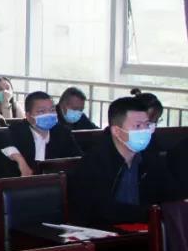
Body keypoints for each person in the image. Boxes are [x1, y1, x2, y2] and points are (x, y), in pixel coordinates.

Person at [69, 96, 180, 226]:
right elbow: (100, 211)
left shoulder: (149, 157)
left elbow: (171, 193)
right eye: (138, 126)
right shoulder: (94, 162)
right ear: (117, 131)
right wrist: (150, 213)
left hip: (145, 228)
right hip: (105, 232)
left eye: (147, 125)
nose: (145, 131)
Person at [0, 91, 81, 177]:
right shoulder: (19, 130)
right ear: (28, 116)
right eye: (41, 111)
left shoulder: (63, 133)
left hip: (55, 184)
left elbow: (78, 160)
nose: (48, 114)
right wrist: (19, 159)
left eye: (52, 110)